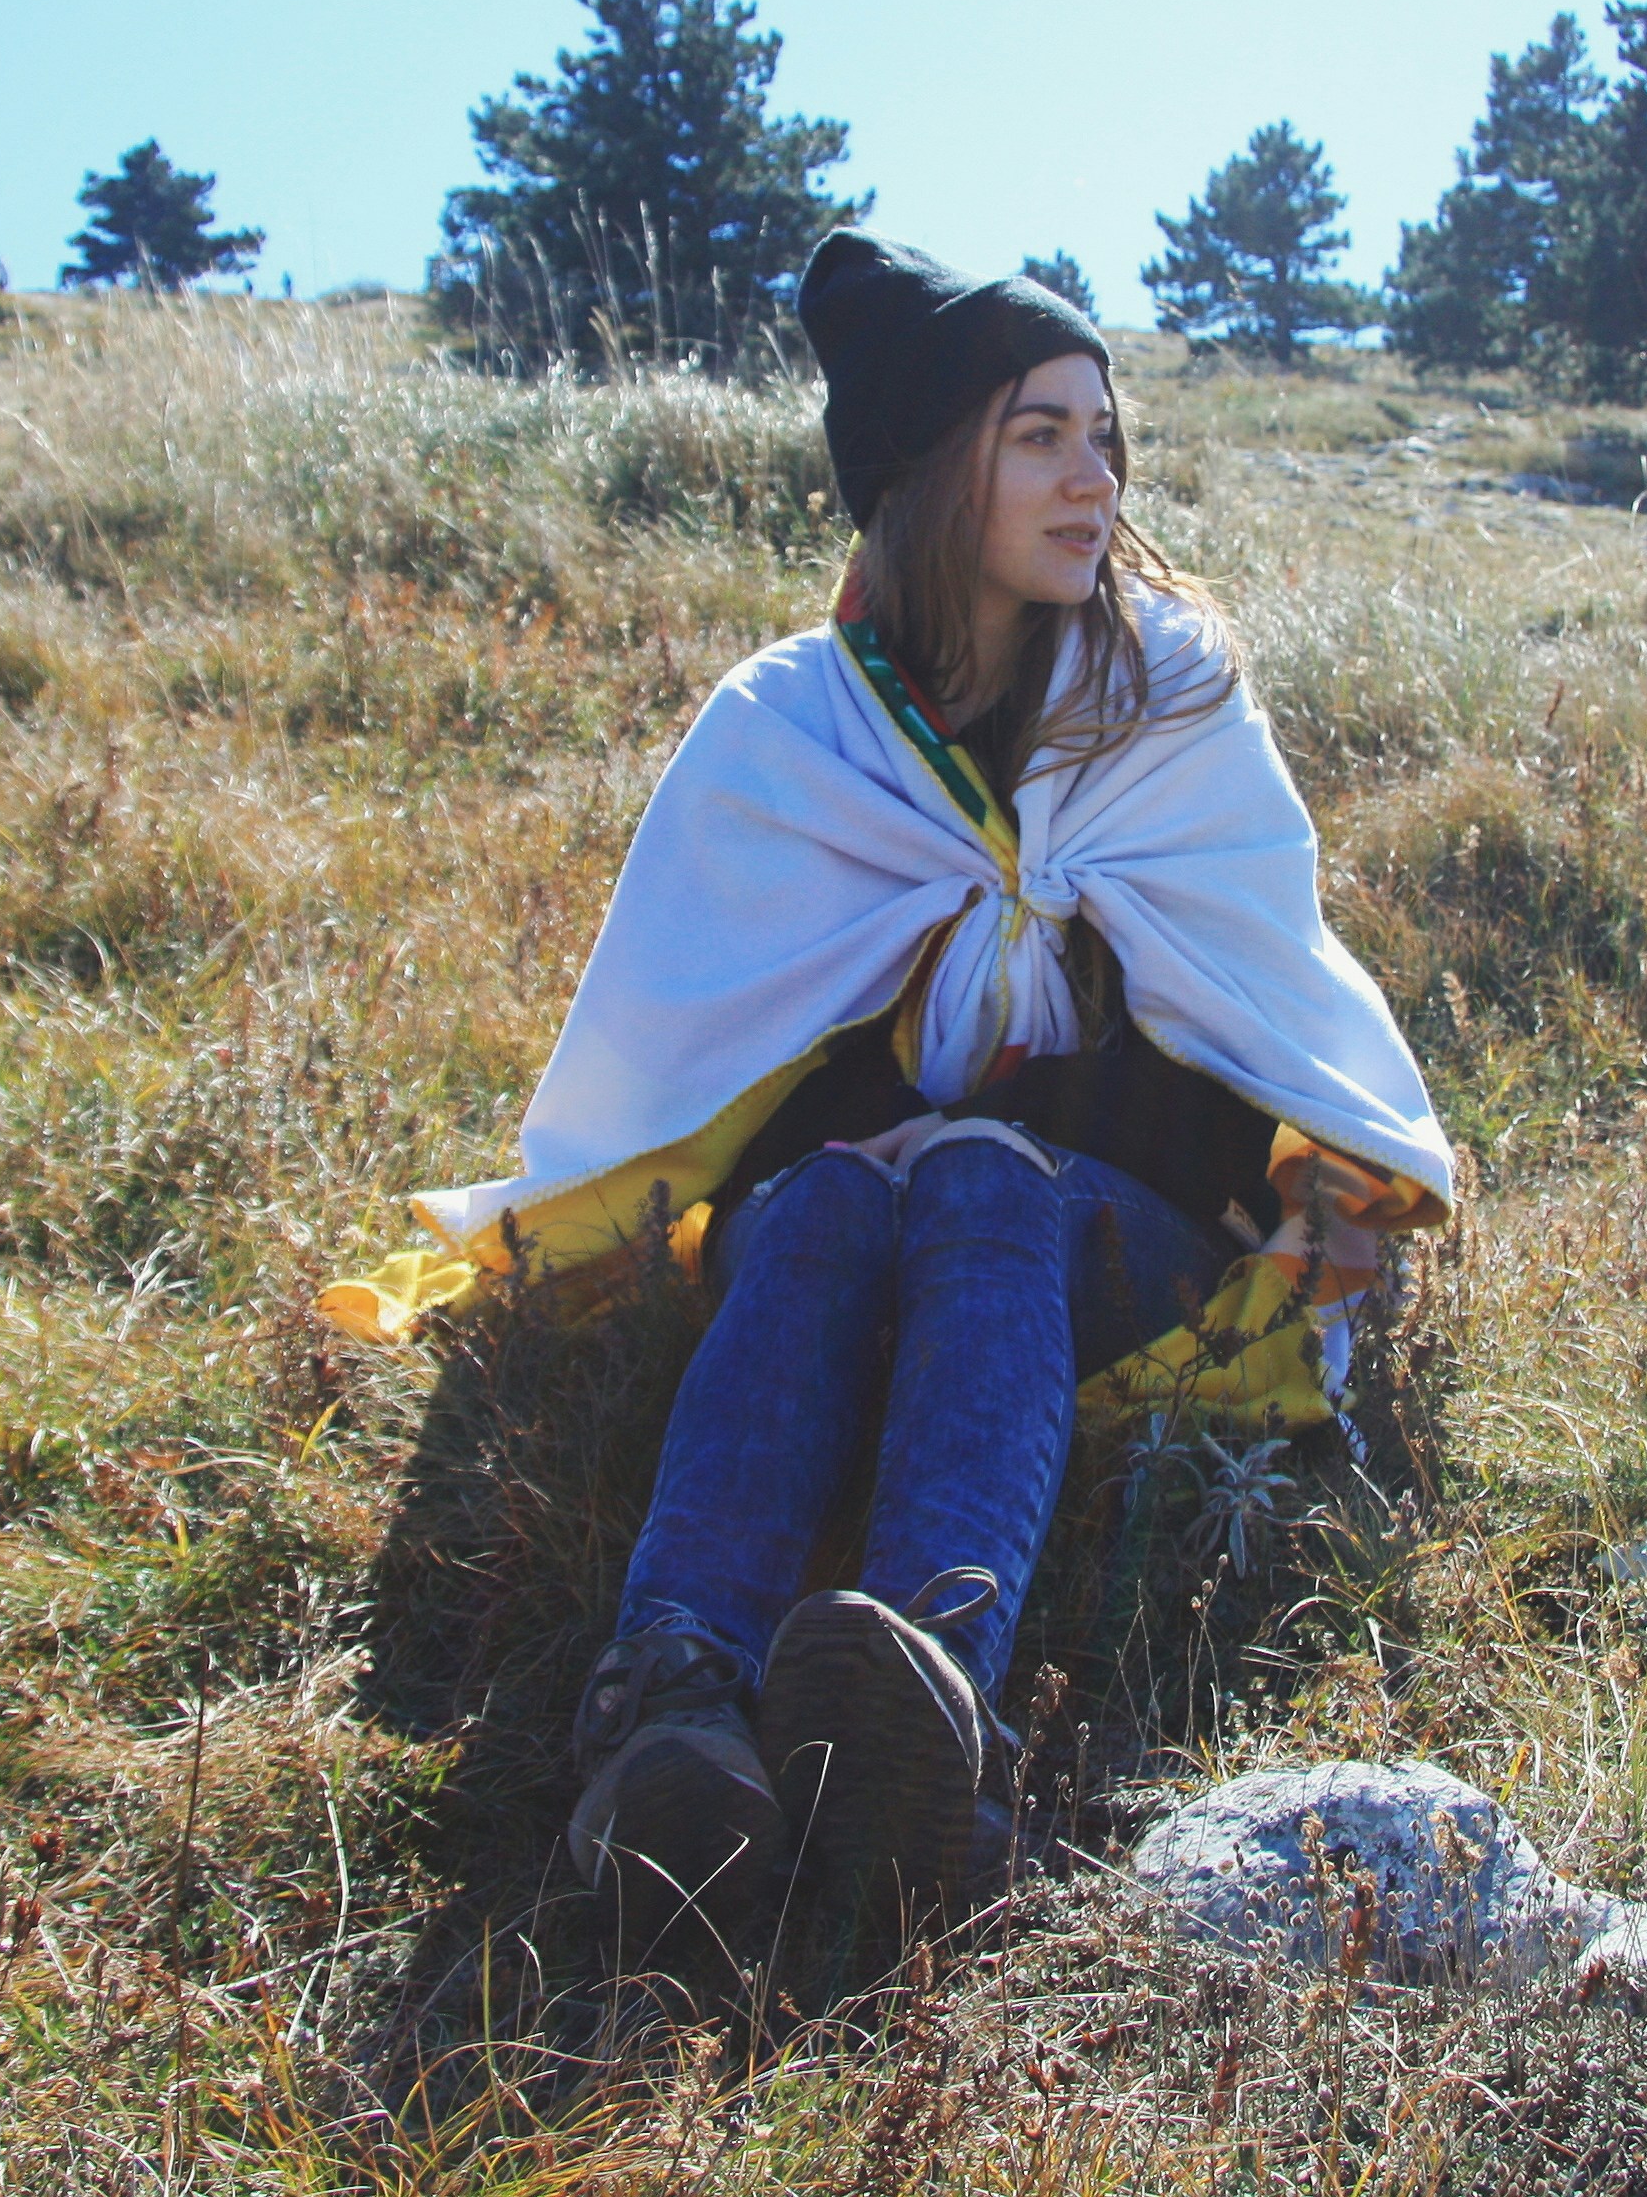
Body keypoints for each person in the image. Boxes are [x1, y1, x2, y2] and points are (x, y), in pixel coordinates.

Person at [322, 229, 1451, 1953]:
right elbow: (712, 1041)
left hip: (1102, 1232)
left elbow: (1261, 1011)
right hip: (838, 1219)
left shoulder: (1171, 703)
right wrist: (881, 1126)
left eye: (1104, 433)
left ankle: (933, 1699)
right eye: (1040, 435)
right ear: (936, 469)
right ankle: (678, 1702)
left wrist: (1119, 1150)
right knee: (843, 1196)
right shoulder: (791, 730)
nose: (1097, 475)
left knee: (985, 1179)